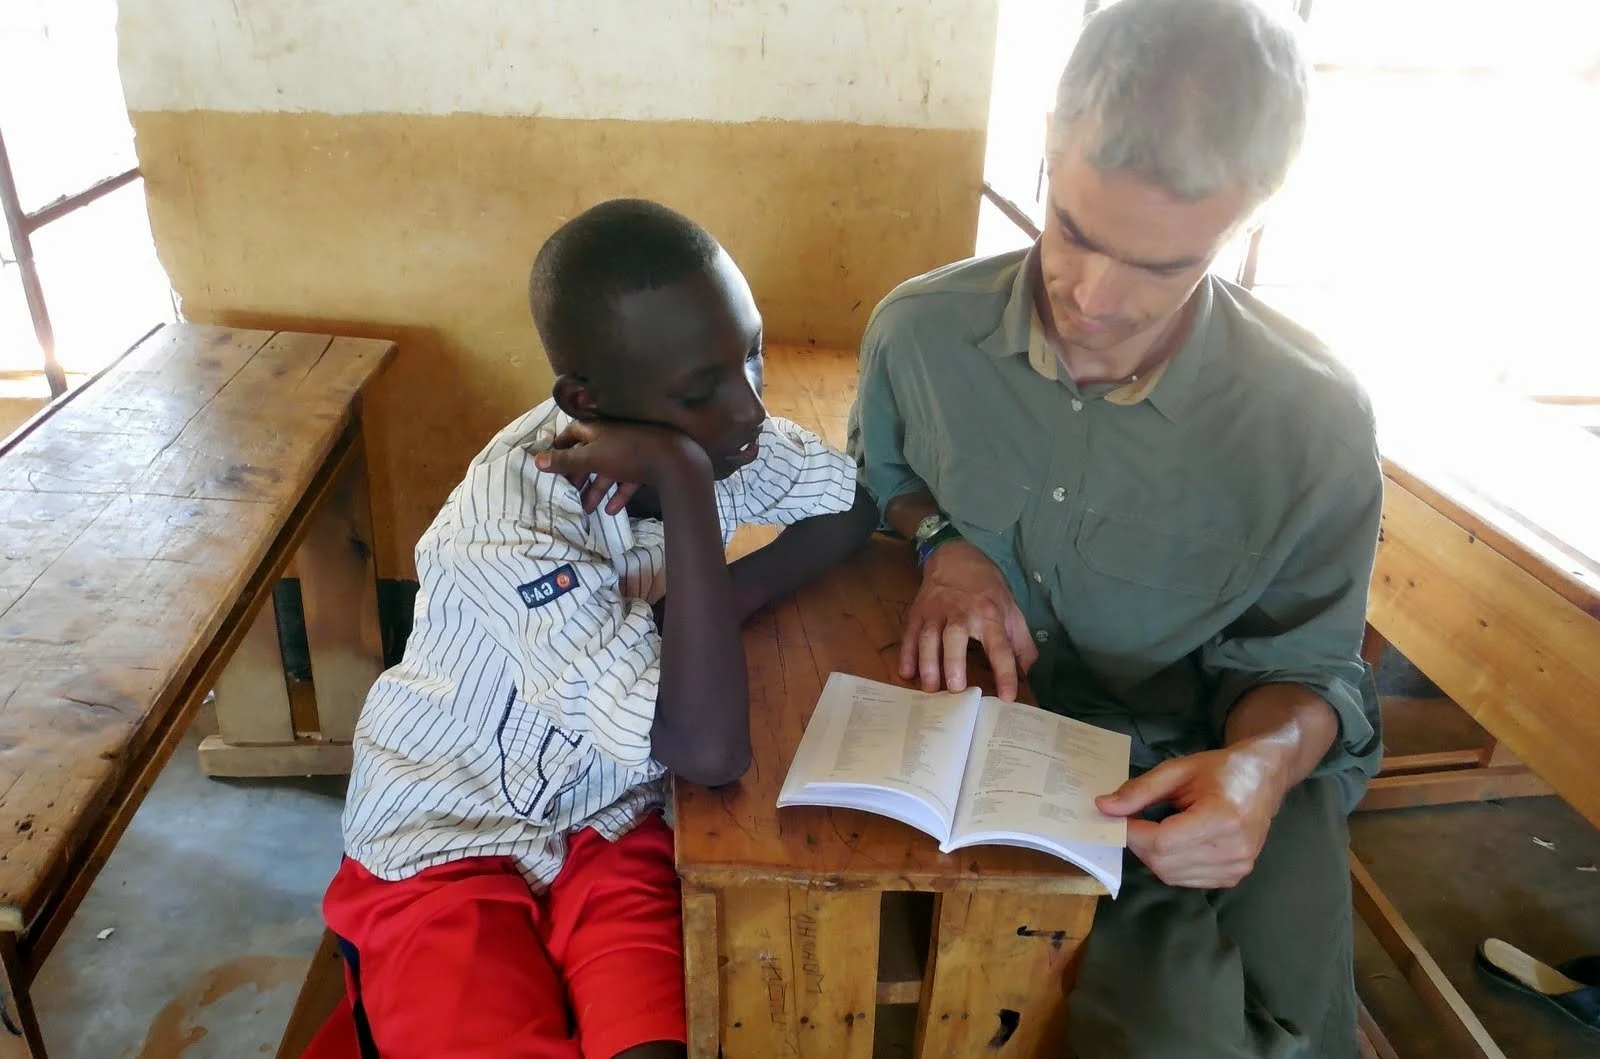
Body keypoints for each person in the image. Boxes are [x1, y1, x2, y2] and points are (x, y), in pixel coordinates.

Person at [849, 1, 1382, 1055]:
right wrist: (937, 543)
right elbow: (881, 481)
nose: (1090, 297)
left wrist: (1261, 771)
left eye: (1162, 265)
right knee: (1173, 1033)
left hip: (1222, 747)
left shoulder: (1310, 419)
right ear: (1048, 144)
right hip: (1022, 755)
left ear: (1248, 213)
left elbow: (1309, 664)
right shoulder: (920, 333)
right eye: (1073, 231)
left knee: (1297, 1033)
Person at [305, 198, 877, 1059]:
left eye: (751, 354)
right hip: (444, 837)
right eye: (704, 390)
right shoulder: (512, 523)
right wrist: (683, 481)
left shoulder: (723, 437)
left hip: (607, 817)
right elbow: (709, 750)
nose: (751, 406)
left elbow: (852, 505)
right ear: (587, 399)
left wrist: (711, 598)